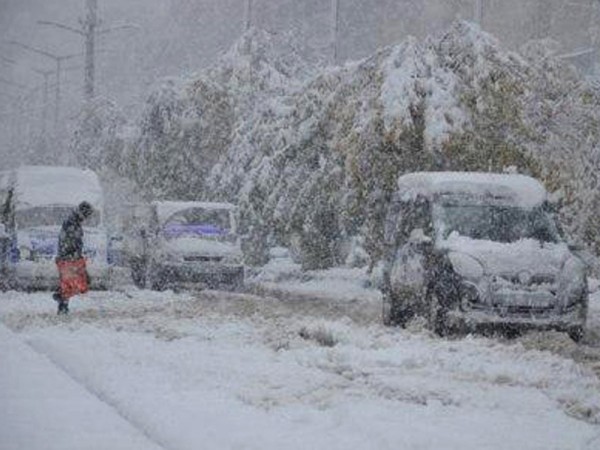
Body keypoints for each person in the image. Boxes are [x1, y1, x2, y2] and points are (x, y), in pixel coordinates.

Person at [53, 201, 94, 314]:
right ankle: (61, 301)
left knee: (71, 282)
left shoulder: (74, 221)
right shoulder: (72, 222)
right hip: (69, 258)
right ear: (83, 212)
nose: (87, 218)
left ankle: (62, 302)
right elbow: (70, 241)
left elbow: (72, 241)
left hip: (70, 257)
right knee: (74, 282)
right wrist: (73, 256)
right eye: (87, 215)